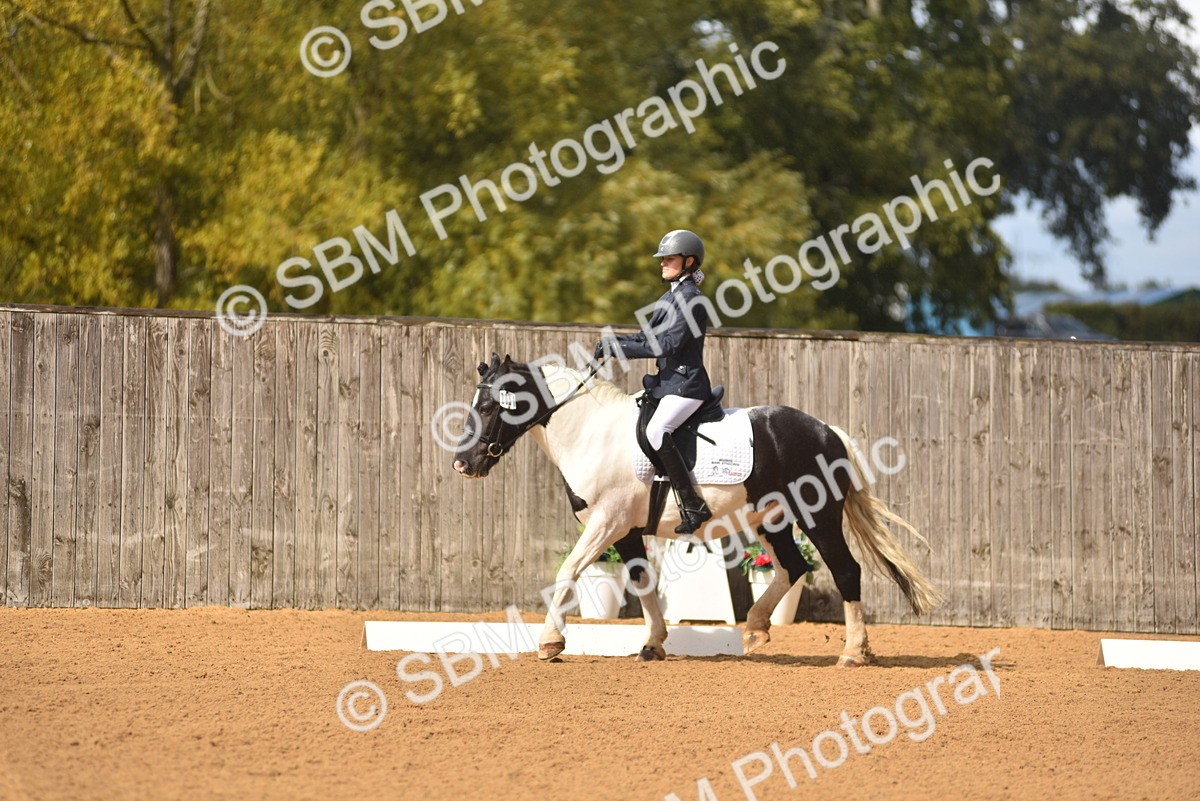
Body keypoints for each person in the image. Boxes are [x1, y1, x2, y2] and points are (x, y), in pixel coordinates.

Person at [594, 229, 713, 534]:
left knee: (657, 430)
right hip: (666, 386)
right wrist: (614, 341)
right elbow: (646, 338)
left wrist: (619, 348)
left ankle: (692, 504)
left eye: (669, 259)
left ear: (689, 261)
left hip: (687, 386)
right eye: (663, 259)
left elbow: (668, 345)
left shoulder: (692, 300)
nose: (662, 264)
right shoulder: (670, 296)